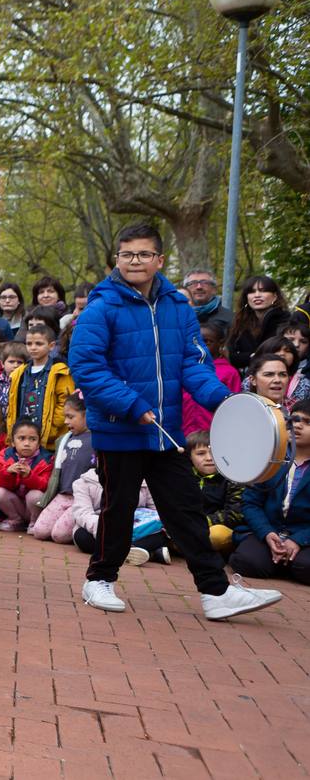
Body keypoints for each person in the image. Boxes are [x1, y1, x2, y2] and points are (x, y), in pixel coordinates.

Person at [67, 222, 283, 620]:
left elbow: (193, 363)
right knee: (119, 507)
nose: (135, 261)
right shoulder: (101, 308)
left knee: (185, 508)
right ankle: (99, 579)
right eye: (127, 254)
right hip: (121, 428)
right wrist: (132, 405)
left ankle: (215, 592)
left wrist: (224, 400)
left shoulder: (176, 306)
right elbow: (86, 368)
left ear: (160, 260)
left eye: (144, 254)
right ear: (117, 259)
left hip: (166, 431)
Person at [229, 399, 310, 584]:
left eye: (307, 422)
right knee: (246, 561)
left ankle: (288, 561)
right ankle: (282, 560)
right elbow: (250, 502)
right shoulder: (272, 459)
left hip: (304, 536)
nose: (297, 425)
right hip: (269, 531)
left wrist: (298, 540)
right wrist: (266, 533)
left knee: (306, 567)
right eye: (294, 419)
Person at [30, 395, 92, 544]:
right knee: (39, 531)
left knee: (59, 535)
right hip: (63, 494)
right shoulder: (64, 440)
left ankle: (82, 525)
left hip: (82, 498)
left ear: (87, 414)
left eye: (71, 417)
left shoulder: (97, 439)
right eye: (65, 417)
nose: (66, 422)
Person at [6, 323, 73, 453]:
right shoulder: (19, 373)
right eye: (29, 344)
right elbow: (13, 404)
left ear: (51, 346)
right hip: (23, 437)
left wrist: (51, 429)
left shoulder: (60, 371)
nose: (33, 348)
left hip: (49, 440)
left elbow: (64, 403)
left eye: (39, 344)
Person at [187, 431, 244, 555]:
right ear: (189, 456)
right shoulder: (185, 477)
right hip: (190, 526)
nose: (209, 458)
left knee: (216, 535)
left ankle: (175, 547)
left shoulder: (234, 478)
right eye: (201, 453)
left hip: (217, 527)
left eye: (214, 453)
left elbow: (235, 514)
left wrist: (201, 522)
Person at [182, 325, 241, 435]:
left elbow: (233, 404)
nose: (199, 346)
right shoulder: (184, 369)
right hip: (185, 433)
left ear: (220, 343)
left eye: (207, 342)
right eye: (194, 342)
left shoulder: (229, 372)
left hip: (214, 433)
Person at [0, 422, 51, 530]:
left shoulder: (46, 459)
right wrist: (8, 472)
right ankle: (15, 520)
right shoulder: (5, 455)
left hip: (33, 508)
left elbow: (46, 486)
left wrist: (29, 476)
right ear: (13, 442)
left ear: (38, 444)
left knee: (35, 495)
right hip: (16, 504)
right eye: (22, 438)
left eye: (32, 439)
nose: (27, 443)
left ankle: (34, 523)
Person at [226, 275, 288, 371]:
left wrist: (249, 356)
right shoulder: (239, 323)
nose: (257, 295)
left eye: (263, 290)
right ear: (246, 297)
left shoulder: (286, 320)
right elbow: (232, 357)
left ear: (275, 296)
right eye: (252, 291)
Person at [183, 269, 232, 340]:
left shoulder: (230, 319)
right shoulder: (174, 318)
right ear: (185, 290)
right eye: (193, 283)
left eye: (205, 283)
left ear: (214, 289)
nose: (199, 287)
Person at [0, 341, 26, 413]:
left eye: (20, 362)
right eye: (11, 362)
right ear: (2, 363)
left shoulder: (27, 385)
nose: (16, 365)